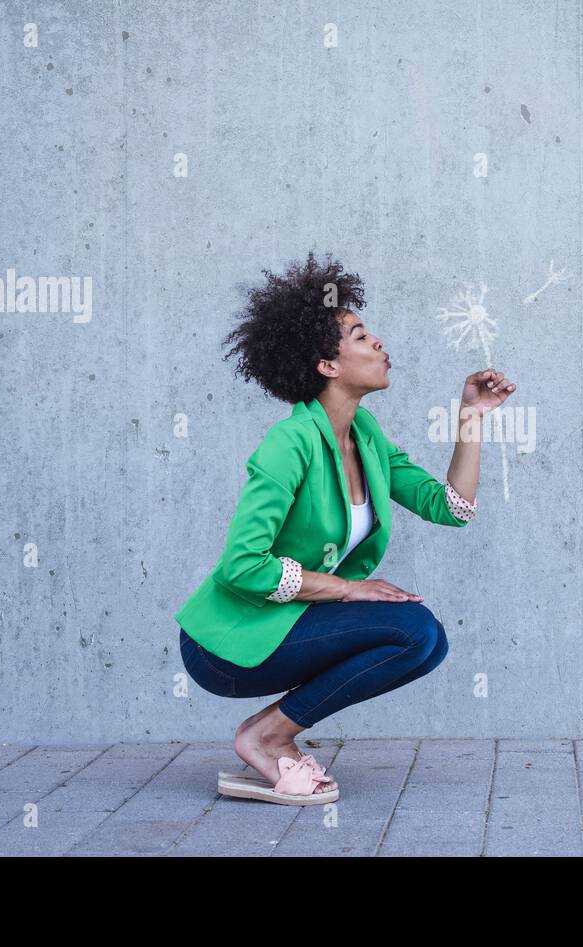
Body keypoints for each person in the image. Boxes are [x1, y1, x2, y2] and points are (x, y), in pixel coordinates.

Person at [175, 251, 516, 805]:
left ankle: (270, 734)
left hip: (286, 625)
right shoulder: (290, 443)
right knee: (414, 629)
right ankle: (267, 739)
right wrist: (348, 589)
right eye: (360, 335)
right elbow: (242, 566)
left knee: (424, 640)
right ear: (327, 366)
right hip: (225, 645)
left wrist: (472, 415)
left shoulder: (366, 435)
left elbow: (450, 506)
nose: (378, 343)